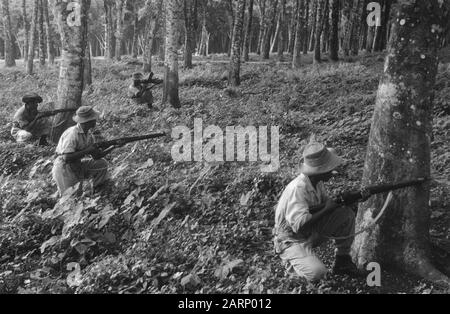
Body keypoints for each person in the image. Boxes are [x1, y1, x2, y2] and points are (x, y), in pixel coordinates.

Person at [273, 141, 365, 282]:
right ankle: (291, 264)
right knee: (318, 274)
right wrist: (328, 208)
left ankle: (342, 261)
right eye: (330, 168)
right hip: (291, 240)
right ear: (320, 171)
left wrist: (352, 200)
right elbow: (300, 225)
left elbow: (325, 206)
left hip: (309, 233)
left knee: (345, 213)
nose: (333, 172)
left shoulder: (317, 183)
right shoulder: (297, 189)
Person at [52, 106, 121, 196]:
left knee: (101, 164)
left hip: (77, 164)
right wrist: (87, 150)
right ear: (88, 121)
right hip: (64, 167)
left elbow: (96, 156)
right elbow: (66, 157)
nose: (95, 121)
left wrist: (113, 146)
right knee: (70, 197)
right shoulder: (72, 133)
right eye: (93, 119)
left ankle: (99, 191)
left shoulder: (88, 135)